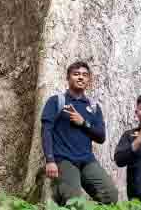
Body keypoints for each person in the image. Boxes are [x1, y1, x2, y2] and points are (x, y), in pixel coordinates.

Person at [40, 61, 118, 204]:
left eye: (84, 75)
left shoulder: (93, 107)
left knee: (110, 195)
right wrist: (50, 160)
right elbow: (46, 131)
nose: (81, 77)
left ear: (89, 80)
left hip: (87, 160)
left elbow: (101, 137)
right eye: (76, 74)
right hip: (63, 160)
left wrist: (83, 123)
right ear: (68, 78)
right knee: (74, 201)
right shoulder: (57, 101)